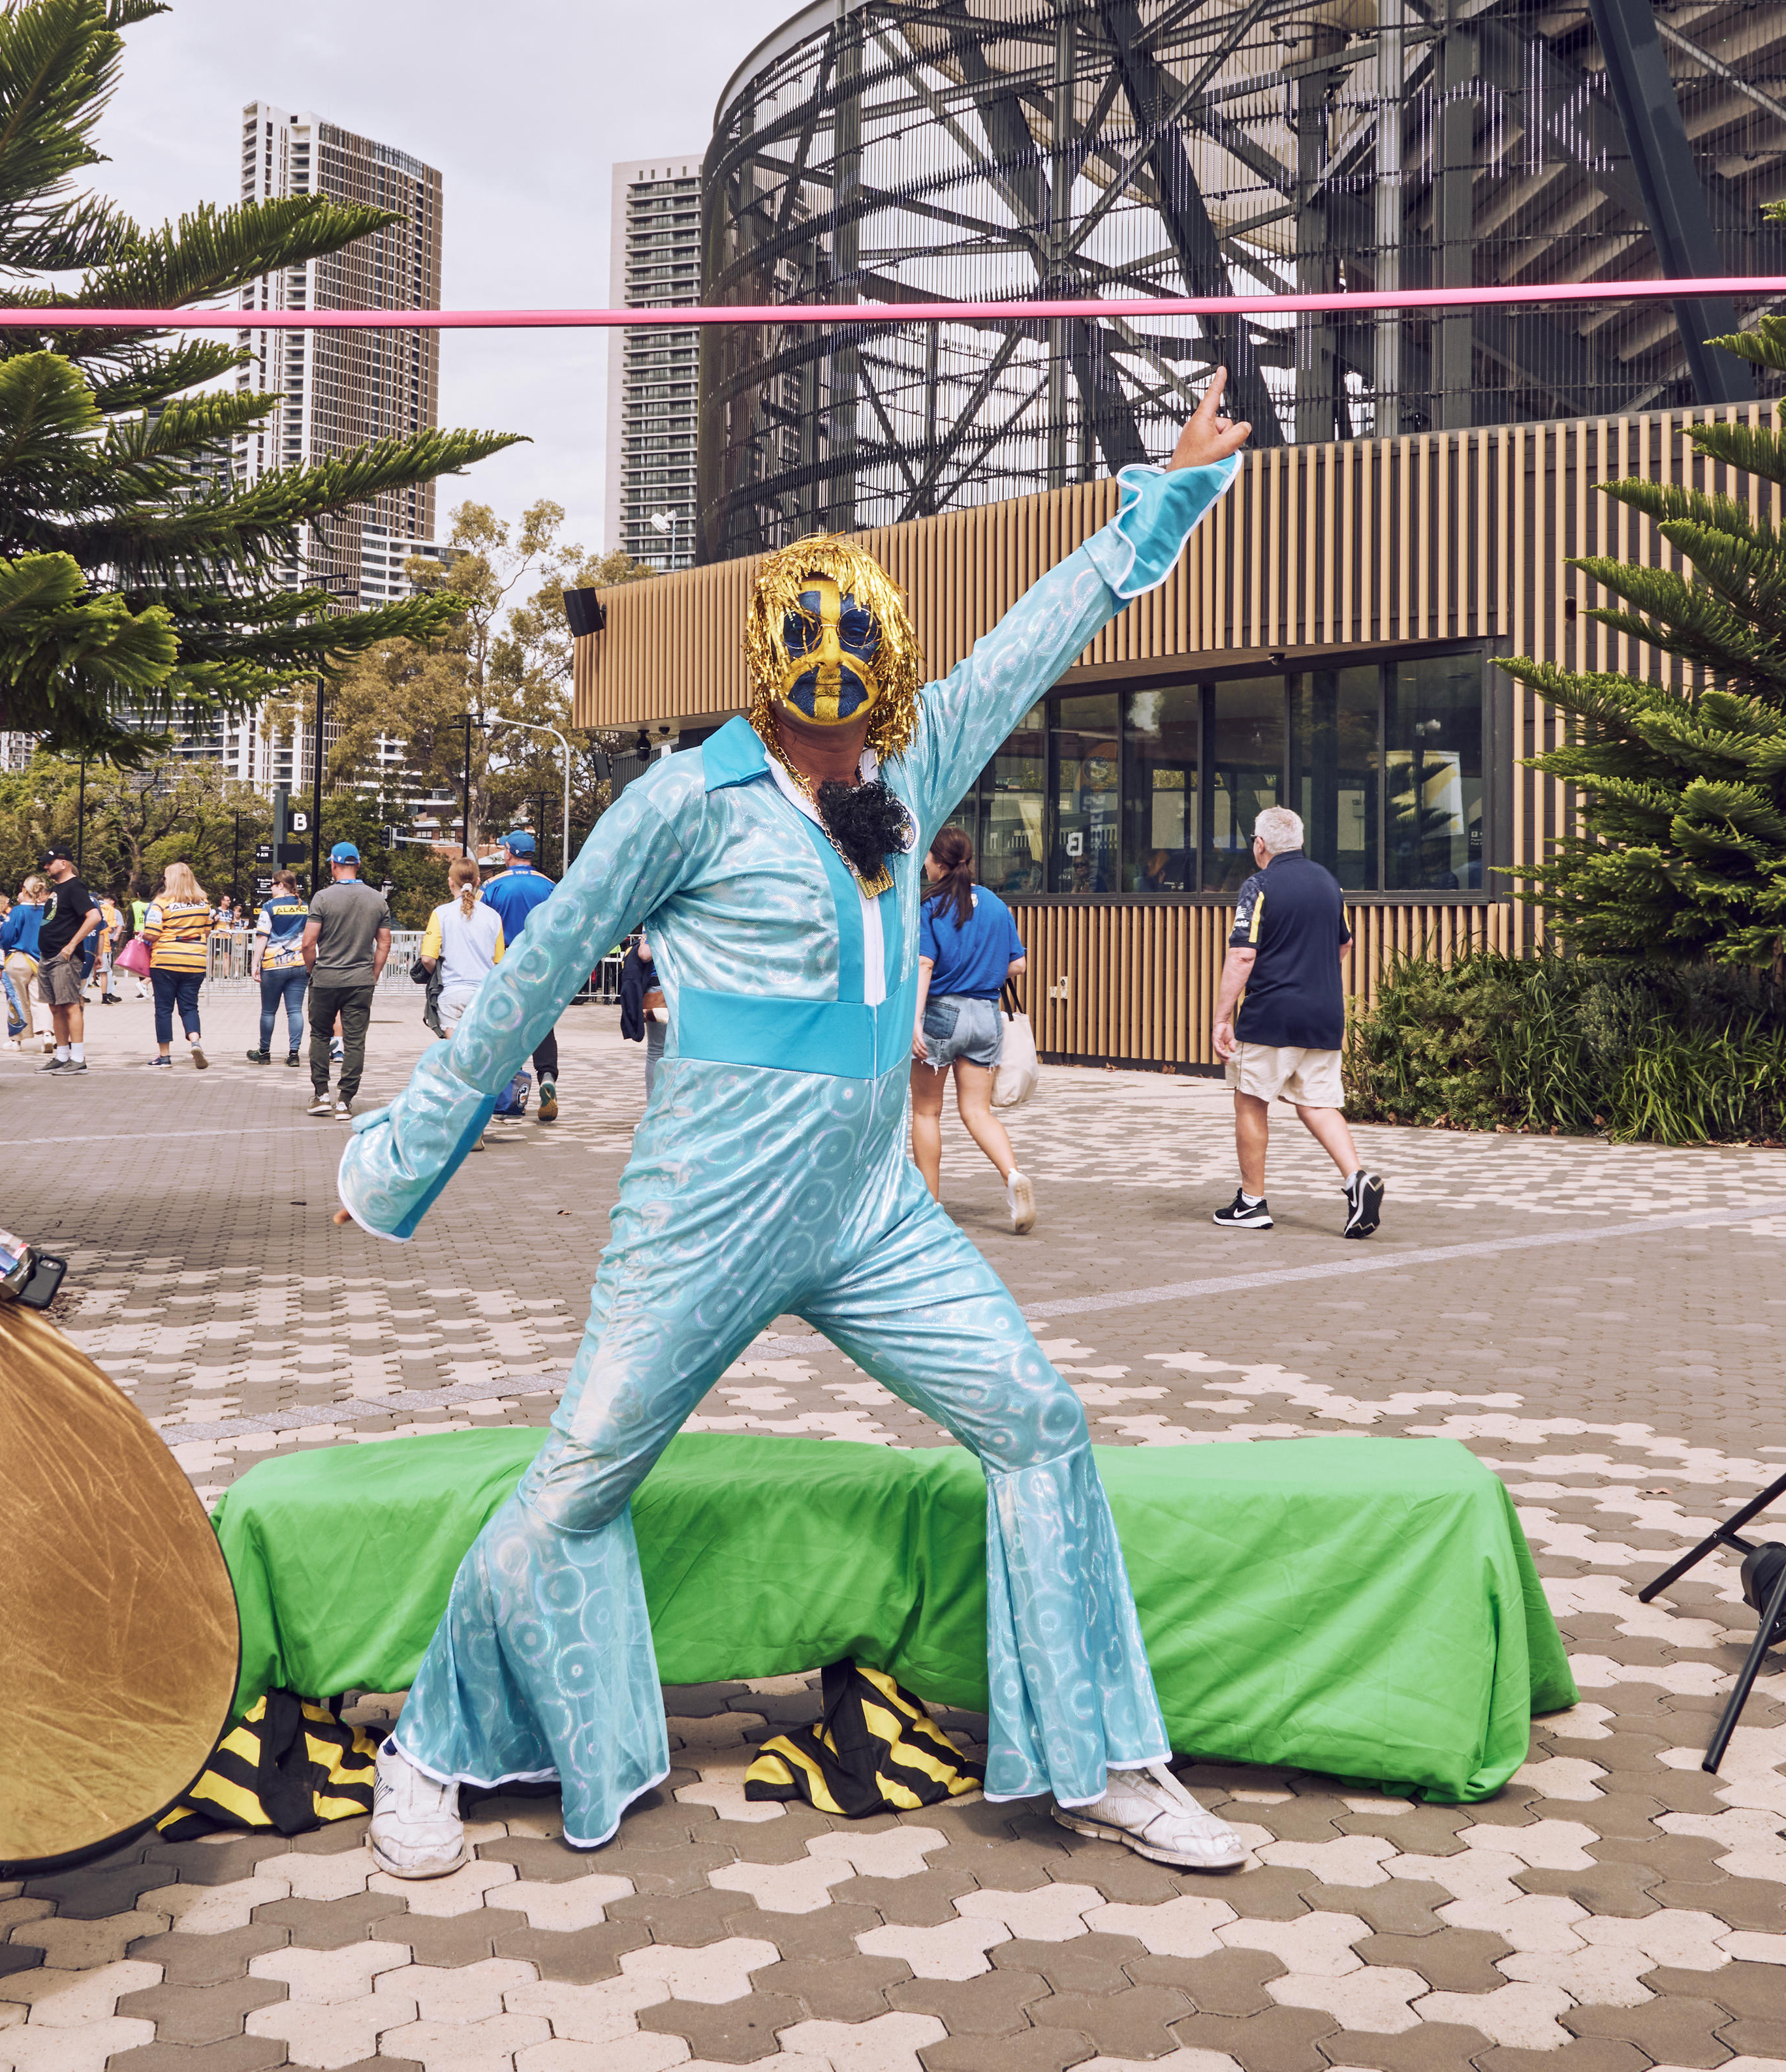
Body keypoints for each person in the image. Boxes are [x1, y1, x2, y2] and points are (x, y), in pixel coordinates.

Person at [337, 372, 1257, 1881]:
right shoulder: (683, 800)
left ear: (883, 666)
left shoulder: (913, 766)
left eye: (856, 652)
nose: (832, 679)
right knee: (575, 1482)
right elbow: (535, 980)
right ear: (768, 662)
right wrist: (394, 1161)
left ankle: (1100, 1761)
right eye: (805, 650)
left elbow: (1037, 636)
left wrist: (1165, 493)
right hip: (705, 1209)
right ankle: (430, 1747)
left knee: (1039, 1422)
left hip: (869, 1211)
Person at [1210, 803, 1384, 1237]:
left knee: (1250, 1099)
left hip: (1272, 1013)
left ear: (1261, 844)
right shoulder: (1328, 883)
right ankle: (1357, 1180)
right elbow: (1344, 945)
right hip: (1324, 1014)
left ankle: (1251, 1202)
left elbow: (1243, 954)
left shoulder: (1259, 884)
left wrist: (1221, 1017)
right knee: (1318, 1103)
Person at [911, 825, 1034, 1234]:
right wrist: (983, 966)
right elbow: (1019, 964)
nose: (925, 864)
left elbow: (925, 965)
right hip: (985, 1015)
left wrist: (913, 1021)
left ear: (940, 863)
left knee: (927, 1112)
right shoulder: (997, 904)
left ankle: (929, 1206)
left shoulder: (930, 905)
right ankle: (1013, 1175)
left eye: (928, 857)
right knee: (977, 1112)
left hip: (941, 1015)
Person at [294, 842, 390, 1118]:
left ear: (333, 866)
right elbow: (384, 942)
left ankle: (321, 1094)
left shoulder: (322, 899)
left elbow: (308, 942)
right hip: (360, 979)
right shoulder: (377, 899)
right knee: (355, 1040)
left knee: (320, 1035)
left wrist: (313, 970)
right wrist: (373, 974)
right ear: (358, 865)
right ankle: (345, 1100)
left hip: (326, 978)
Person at [477, 829, 560, 1121]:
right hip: (541, 965)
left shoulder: (493, 886)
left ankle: (508, 1090)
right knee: (542, 1024)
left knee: (505, 1027)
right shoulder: (550, 886)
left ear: (509, 853)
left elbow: (479, 925)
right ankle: (547, 1076)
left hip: (506, 963)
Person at [422, 858, 506, 1038]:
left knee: (455, 1050)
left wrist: (437, 975)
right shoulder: (493, 916)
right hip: (483, 993)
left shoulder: (441, 914)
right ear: (477, 882)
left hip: (452, 992)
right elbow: (499, 962)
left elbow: (428, 958)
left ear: (450, 881)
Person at [144, 862, 215, 1067]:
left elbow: (153, 933)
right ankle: (195, 1042)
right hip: (195, 961)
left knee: (164, 1008)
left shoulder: (162, 901)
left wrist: (143, 935)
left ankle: (164, 1056)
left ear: (171, 880)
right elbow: (207, 931)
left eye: (166, 877)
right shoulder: (204, 903)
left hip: (166, 960)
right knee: (190, 1006)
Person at [33, 846, 93, 1072]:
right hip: (48, 955)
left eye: (49, 863)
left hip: (63, 957)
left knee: (70, 1005)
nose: (46, 867)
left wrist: (71, 946)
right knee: (55, 1007)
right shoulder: (57, 889)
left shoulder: (75, 886)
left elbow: (94, 916)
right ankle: (62, 1054)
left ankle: (78, 1059)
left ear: (64, 863)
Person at [248, 870, 311, 1064]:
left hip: (273, 966)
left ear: (281, 885)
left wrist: (254, 963)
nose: (271, 888)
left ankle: (265, 1053)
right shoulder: (305, 907)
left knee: (268, 1011)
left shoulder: (270, 906)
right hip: (299, 965)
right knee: (295, 1011)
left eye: (273, 884)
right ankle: (294, 1055)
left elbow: (262, 937)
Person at [614, 929, 668, 1103]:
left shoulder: (657, 915)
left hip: (660, 989)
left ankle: (654, 1109)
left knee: (656, 1050)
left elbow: (645, 953)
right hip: (686, 988)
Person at [0, 877, 46, 1051]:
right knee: (41, 998)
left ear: (25, 890)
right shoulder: (47, 912)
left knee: (16, 998)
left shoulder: (17, 912)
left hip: (18, 959)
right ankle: (47, 1033)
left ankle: (17, 1039)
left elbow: (8, 936)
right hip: (40, 959)